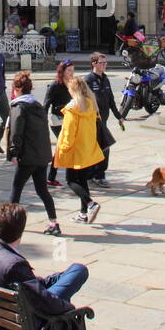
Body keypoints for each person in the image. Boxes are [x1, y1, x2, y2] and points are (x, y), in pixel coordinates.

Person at [0, 202, 89, 322]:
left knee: (70, 273)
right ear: (21, 231)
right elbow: (46, 302)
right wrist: (70, 309)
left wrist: (49, 281)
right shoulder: (15, 264)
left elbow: (26, 285)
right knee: (79, 270)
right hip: (25, 321)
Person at [5, 72, 61, 236]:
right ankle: (54, 222)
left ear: (17, 89)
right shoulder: (37, 106)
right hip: (41, 156)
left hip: (27, 156)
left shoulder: (19, 107)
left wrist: (14, 153)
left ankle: (9, 223)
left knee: (16, 188)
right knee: (42, 190)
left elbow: (16, 132)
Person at [54, 75, 106, 224]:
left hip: (75, 149)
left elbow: (69, 133)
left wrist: (63, 147)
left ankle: (90, 204)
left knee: (70, 180)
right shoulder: (91, 104)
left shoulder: (72, 109)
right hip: (87, 147)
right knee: (82, 180)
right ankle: (83, 214)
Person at [83, 51, 122, 189]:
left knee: (102, 147)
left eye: (105, 63)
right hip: (92, 121)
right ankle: (96, 175)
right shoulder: (87, 80)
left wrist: (119, 116)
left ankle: (95, 174)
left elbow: (110, 99)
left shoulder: (106, 79)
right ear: (94, 64)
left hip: (103, 121)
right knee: (101, 147)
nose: (104, 65)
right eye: (101, 63)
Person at [43, 60, 74, 187]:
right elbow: (46, 103)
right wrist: (42, 122)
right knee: (67, 146)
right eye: (69, 70)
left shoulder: (72, 84)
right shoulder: (55, 85)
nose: (71, 73)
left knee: (62, 147)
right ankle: (69, 176)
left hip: (69, 118)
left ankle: (51, 177)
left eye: (73, 70)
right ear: (62, 71)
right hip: (57, 119)